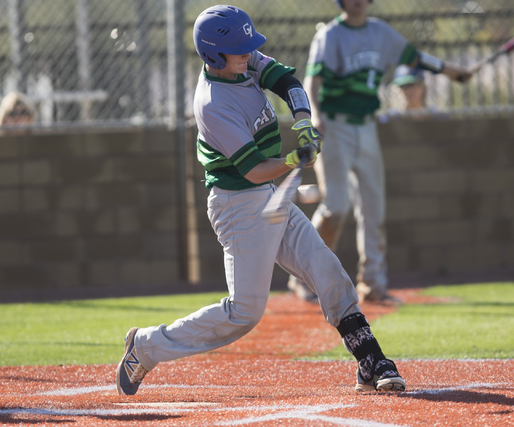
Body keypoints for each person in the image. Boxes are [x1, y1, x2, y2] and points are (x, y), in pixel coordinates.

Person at [116, 4, 405, 396]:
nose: (248, 52)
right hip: (238, 205)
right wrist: (292, 159)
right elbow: (253, 170)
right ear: (213, 55)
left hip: (269, 196)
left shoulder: (244, 60)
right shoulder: (213, 103)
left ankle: (371, 361)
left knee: (328, 271)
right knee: (244, 313)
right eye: (239, 47)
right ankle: (147, 347)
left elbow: (287, 81)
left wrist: (302, 121)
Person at [288, 0, 472, 305]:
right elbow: (312, 79)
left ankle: (373, 283)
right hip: (334, 125)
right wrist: (315, 115)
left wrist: (452, 72)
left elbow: (415, 58)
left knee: (374, 209)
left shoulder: (380, 32)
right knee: (336, 207)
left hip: (366, 126)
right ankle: (304, 274)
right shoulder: (330, 36)